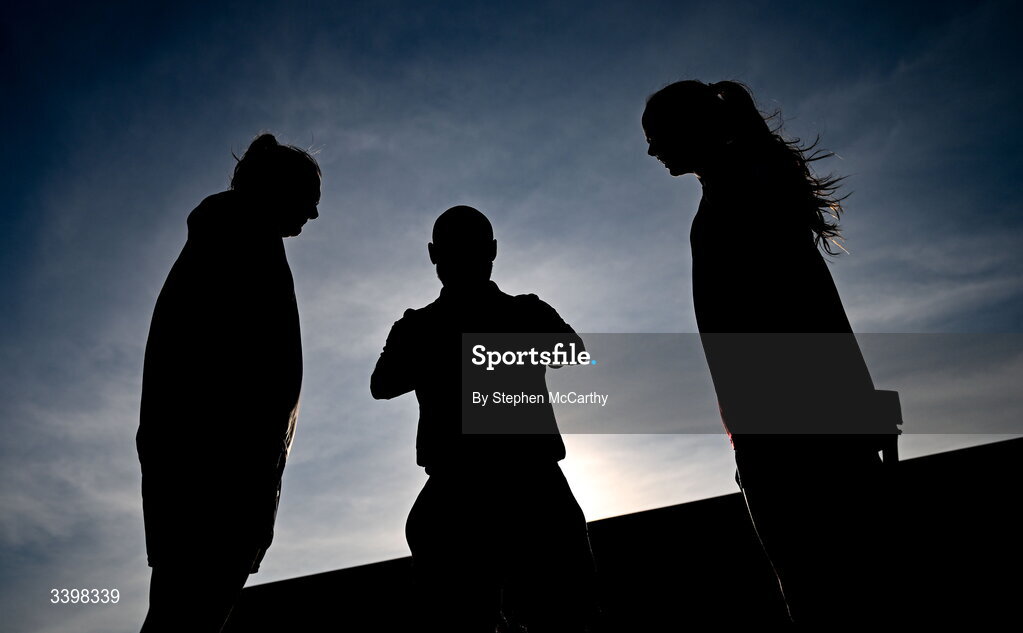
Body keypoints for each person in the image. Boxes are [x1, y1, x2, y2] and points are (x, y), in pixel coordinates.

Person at [642, 80, 900, 624]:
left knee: (827, 593)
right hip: (800, 427)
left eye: (656, 134)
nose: (650, 150)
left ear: (688, 129)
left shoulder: (739, 197)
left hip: (790, 435)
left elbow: (806, 302)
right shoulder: (741, 190)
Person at [371, 206, 596, 632]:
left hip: (514, 484)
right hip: (489, 487)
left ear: (433, 254)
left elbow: (573, 352)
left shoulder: (517, 313)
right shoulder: (422, 326)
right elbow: (381, 384)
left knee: (564, 616)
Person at [137, 133, 321, 633]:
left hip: (219, 479)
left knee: (186, 613)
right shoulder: (237, 241)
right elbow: (226, 373)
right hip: (213, 480)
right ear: (279, 189)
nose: (316, 215)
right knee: (186, 616)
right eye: (309, 198)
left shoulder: (238, 241)